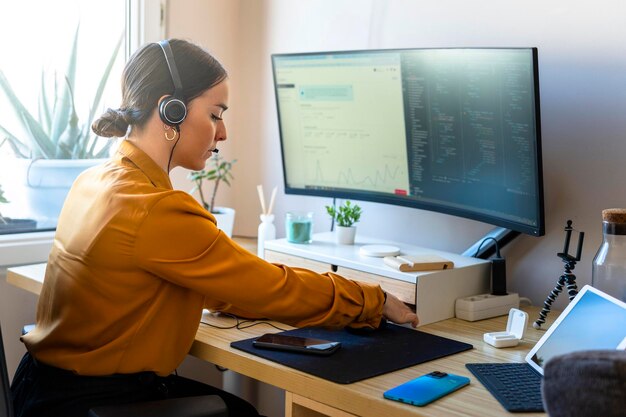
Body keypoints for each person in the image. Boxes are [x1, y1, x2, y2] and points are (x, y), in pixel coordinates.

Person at [10, 38, 418, 417]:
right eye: (215, 114)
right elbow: (275, 289)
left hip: (42, 388)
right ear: (172, 110)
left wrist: (244, 290)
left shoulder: (96, 180)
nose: (222, 132)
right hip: (92, 402)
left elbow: (224, 285)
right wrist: (371, 301)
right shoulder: (155, 209)